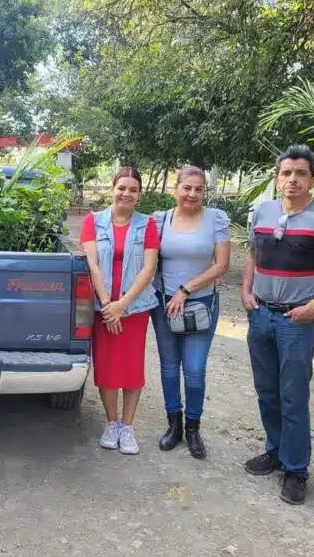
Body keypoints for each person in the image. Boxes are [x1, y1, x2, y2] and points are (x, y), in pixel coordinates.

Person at [241, 144, 314, 505]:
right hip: (260, 316)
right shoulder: (262, 210)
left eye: (300, 173)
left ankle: (296, 470)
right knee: (267, 392)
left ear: (312, 179)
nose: (292, 179)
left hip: (297, 320)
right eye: (286, 173)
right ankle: (275, 451)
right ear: (277, 178)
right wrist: (246, 292)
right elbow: (252, 254)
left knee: (293, 396)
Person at [151, 166, 231, 460]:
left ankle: (194, 428)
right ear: (176, 189)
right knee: (169, 366)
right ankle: (174, 424)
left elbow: (221, 264)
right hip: (164, 303)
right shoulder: (160, 220)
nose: (192, 194)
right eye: (187, 188)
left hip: (201, 303)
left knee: (194, 369)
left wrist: (186, 289)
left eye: (199, 189)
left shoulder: (216, 220)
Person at [80, 166, 159, 455]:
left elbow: (149, 268)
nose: (126, 193)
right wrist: (107, 306)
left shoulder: (147, 224)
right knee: (107, 367)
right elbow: (92, 265)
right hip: (103, 309)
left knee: (131, 368)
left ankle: (127, 426)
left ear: (139, 195)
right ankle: (111, 423)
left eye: (133, 189)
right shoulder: (92, 222)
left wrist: (123, 305)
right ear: (112, 189)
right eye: (121, 187)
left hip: (135, 309)